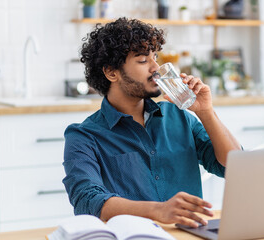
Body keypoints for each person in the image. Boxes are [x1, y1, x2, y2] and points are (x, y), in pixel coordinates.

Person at [63, 17, 242, 228]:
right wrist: (158, 211)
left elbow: (233, 167)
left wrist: (206, 112)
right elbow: (87, 200)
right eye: (142, 60)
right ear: (111, 72)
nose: (156, 67)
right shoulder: (84, 136)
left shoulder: (179, 116)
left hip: (188, 234)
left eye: (155, 57)